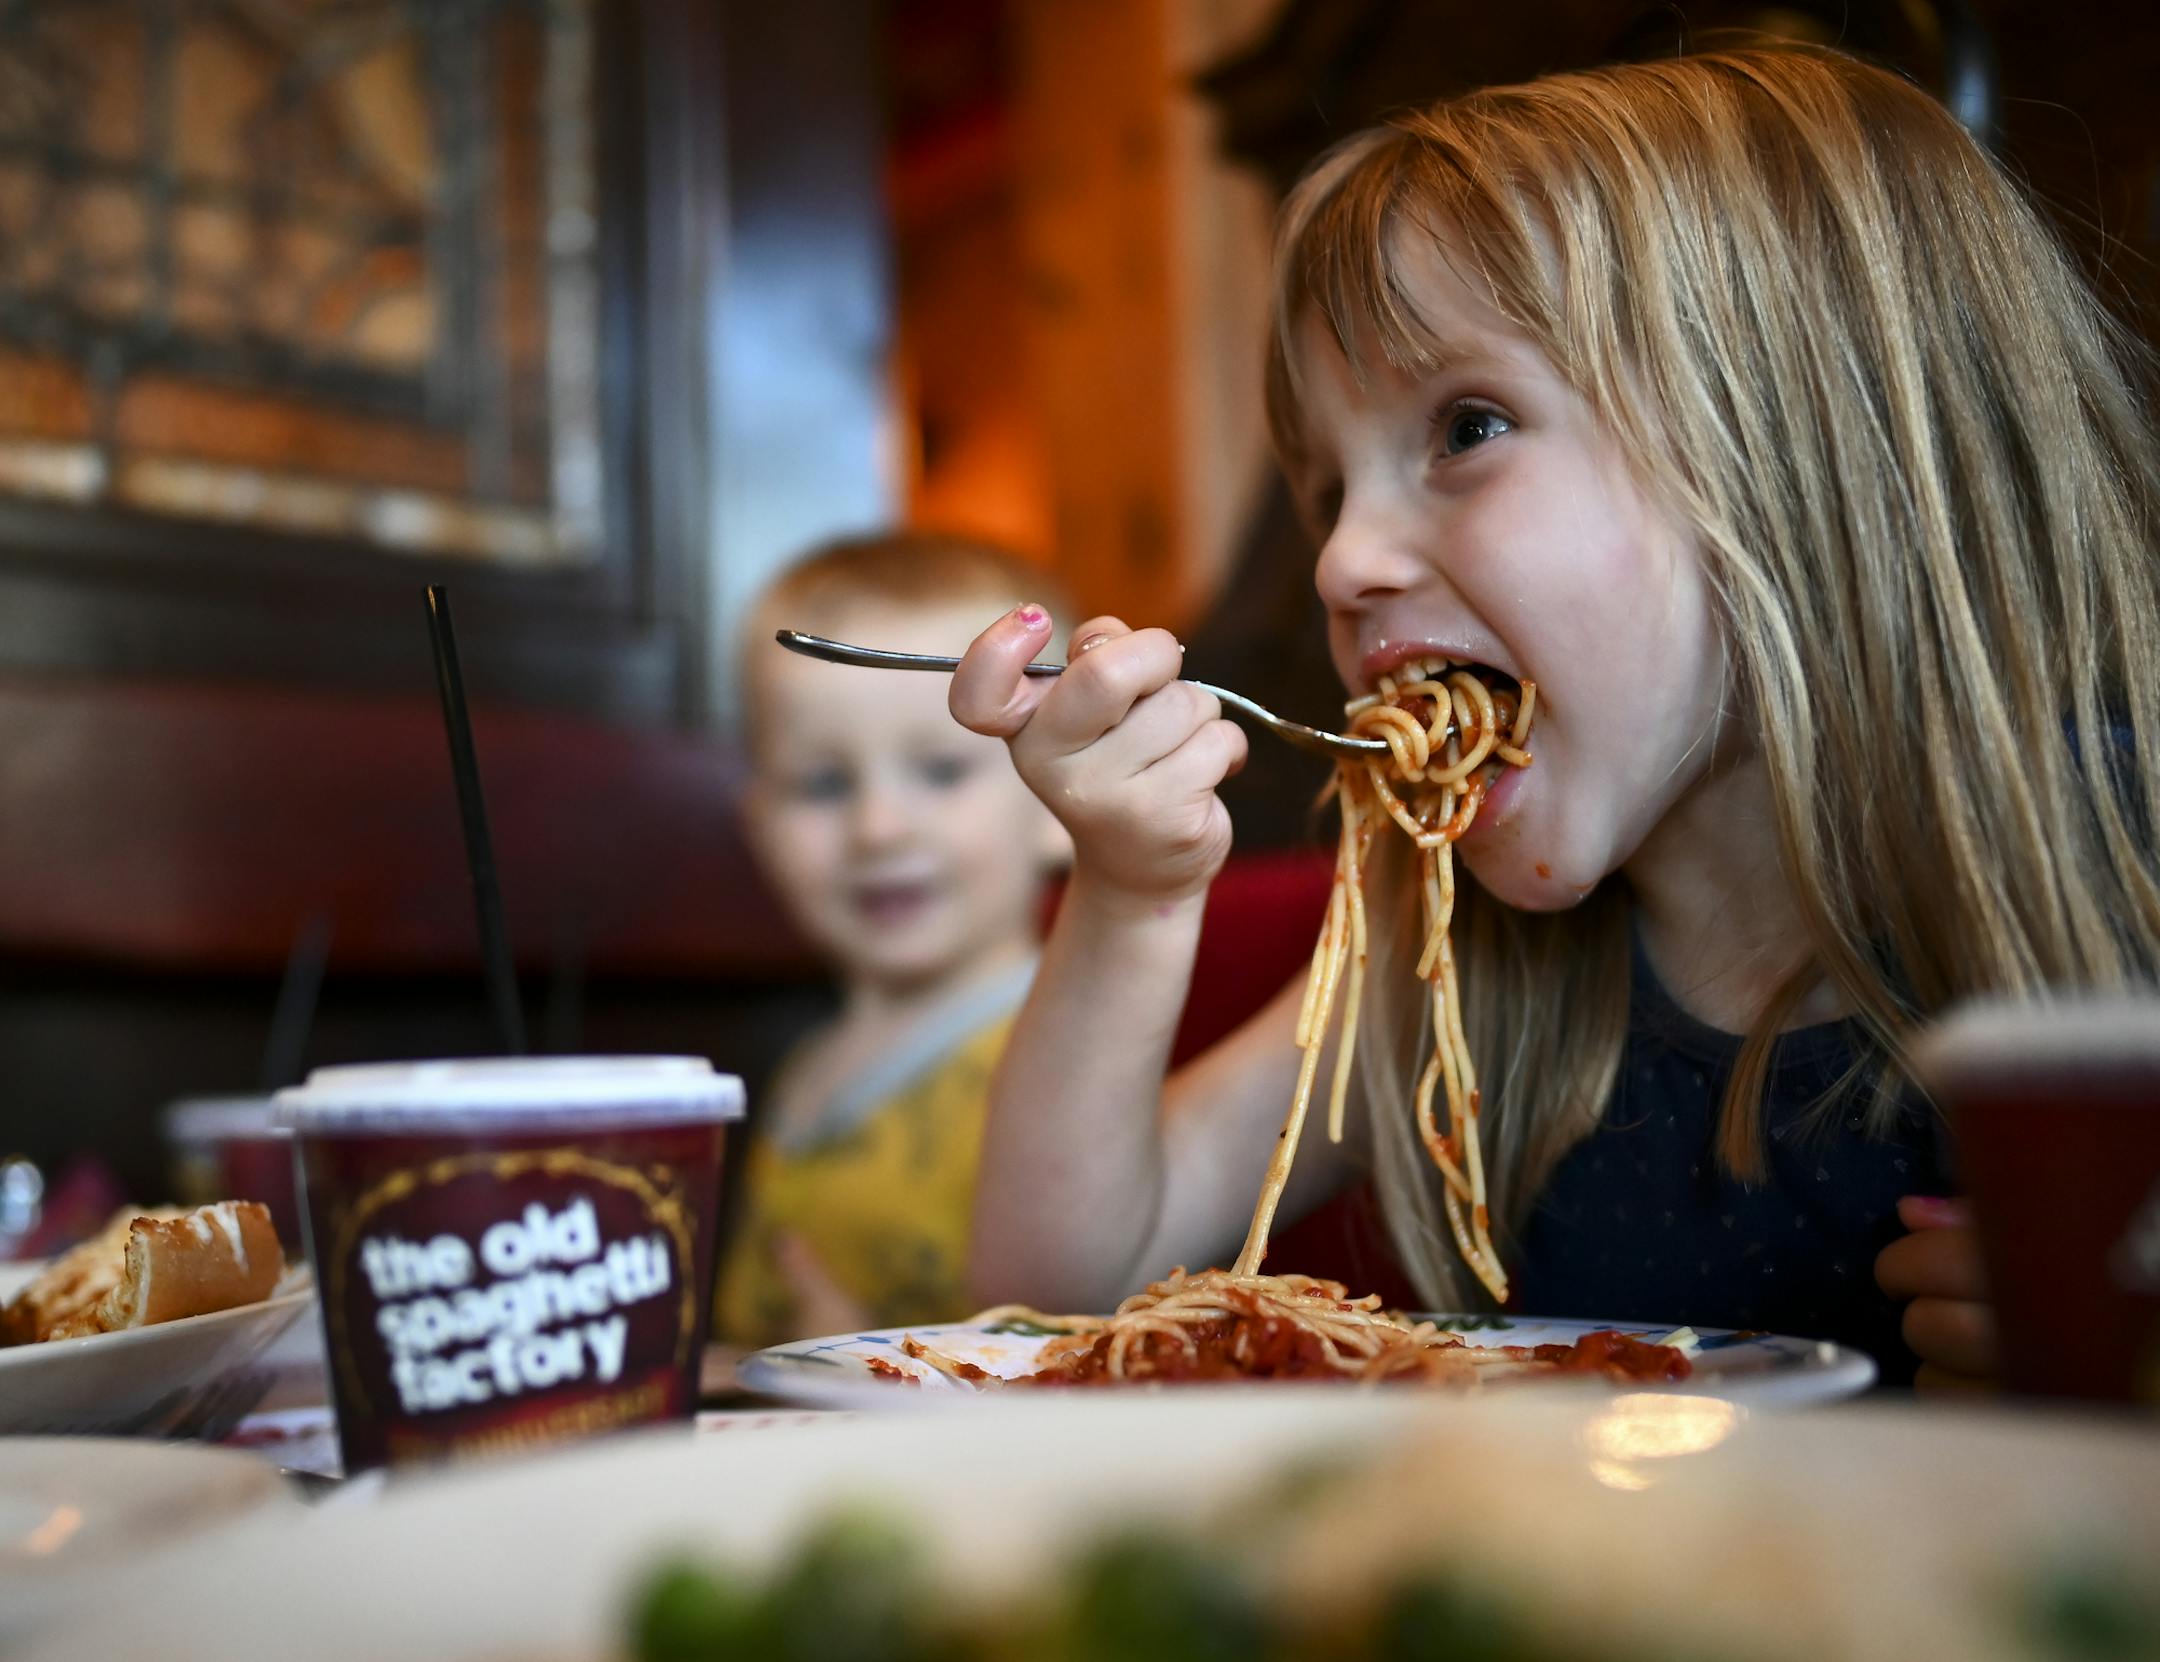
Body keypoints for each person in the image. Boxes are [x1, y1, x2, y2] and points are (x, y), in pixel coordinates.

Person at [947, 44, 2160, 1390]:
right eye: (1324, 492)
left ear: (1807, 434)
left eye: (1466, 426)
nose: (1344, 562)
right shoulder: (1453, 962)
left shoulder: (2117, 874)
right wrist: (1130, 889)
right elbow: (1047, 1290)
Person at [715, 533, 1070, 1347]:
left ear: (1058, 799)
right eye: (824, 784)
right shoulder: (803, 1068)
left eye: (942, 773)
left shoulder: (1065, 1046)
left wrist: (852, 1351)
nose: (878, 829)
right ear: (760, 824)